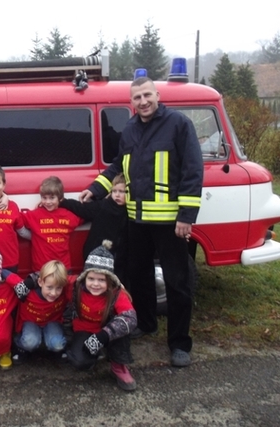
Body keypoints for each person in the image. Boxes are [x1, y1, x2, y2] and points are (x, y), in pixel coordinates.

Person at [79, 77, 203, 367]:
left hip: (170, 221)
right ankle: (146, 323)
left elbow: (192, 170)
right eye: (137, 97)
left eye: (147, 95)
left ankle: (179, 344)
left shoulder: (178, 124)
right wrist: (95, 189)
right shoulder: (131, 129)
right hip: (137, 219)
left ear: (157, 95)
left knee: (177, 282)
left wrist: (186, 216)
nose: (143, 101)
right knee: (140, 275)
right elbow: (118, 164)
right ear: (131, 102)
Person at [66, 240, 137, 391]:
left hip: (106, 331)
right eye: (91, 279)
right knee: (79, 362)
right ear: (85, 277)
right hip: (84, 330)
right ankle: (97, 352)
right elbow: (52, 274)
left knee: (122, 326)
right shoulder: (75, 286)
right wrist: (29, 282)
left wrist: (103, 336)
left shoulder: (116, 293)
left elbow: (131, 318)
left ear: (109, 280)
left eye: (101, 280)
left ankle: (118, 366)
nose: (95, 284)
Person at [61, 173, 129, 285]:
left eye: (122, 192)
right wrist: (61, 202)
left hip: (119, 260)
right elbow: (81, 208)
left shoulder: (130, 211)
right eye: (114, 191)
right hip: (95, 257)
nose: (117, 195)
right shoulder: (102, 206)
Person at [12, 260, 71, 364]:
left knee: (58, 344)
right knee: (29, 342)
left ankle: (55, 350)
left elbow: (79, 280)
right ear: (40, 282)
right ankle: (21, 348)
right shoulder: (27, 291)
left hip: (52, 321)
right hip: (30, 321)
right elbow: (9, 276)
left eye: (58, 288)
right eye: (49, 287)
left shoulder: (65, 291)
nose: (53, 293)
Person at [22, 176, 84, 272]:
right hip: (42, 269)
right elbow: (15, 218)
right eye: (44, 198)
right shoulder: (34, 215)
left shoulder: (68, 216)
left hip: (63, 269)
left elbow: (86, 215)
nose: (47, 202)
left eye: (52, 198)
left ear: (60, 199)